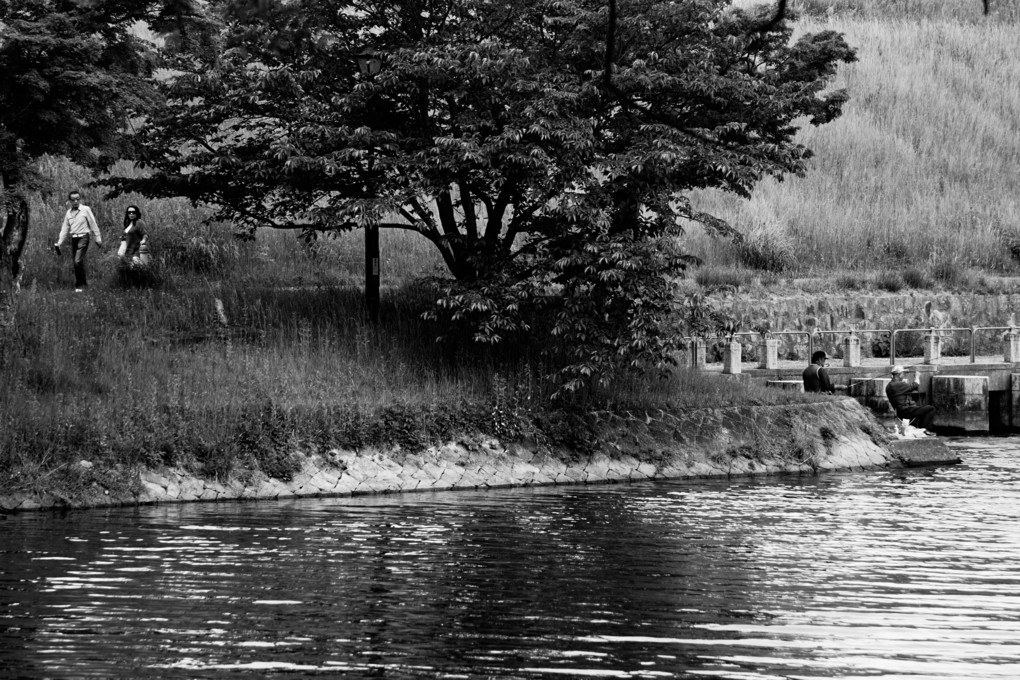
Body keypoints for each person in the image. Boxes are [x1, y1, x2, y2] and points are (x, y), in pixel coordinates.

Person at [54, 190, 104, 291]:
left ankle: (79, 285)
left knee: (77, 261)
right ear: (69, 201)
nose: (76, 201)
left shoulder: (86, 210)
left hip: (84, 237)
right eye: (73, 200)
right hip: (74, 238)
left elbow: (93, 224)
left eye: (77, 199)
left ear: (80, 199)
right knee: (77, 262)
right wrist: (59, 243)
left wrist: (98, 238)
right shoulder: (68, 213)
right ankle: (84, 284)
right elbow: (64, 229)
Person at [885, 365, 936, 434]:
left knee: (922, 410)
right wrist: (917, 376)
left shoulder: (889, 386)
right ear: (899, 374)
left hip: (899, 412)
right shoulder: (898, 384)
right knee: (931, 409)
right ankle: (923, 430)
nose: (903, 376)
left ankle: (920, 429)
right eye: (903, 374)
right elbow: (916, 385)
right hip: (906, 411)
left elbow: (901, 392)